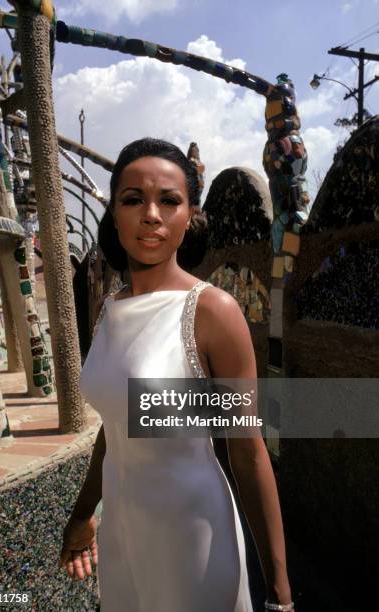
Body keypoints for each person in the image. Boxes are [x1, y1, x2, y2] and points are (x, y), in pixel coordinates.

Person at [60, 138, 294, 612]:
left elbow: (247, 453)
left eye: (169, 200)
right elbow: (117, 426)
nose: (151, 214)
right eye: (132, 200)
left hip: (192, 537)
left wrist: (281, 596)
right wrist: (83, 516)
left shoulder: (211, 311)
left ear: (189, 217)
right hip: (123, 534)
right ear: (116, 216)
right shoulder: (111, 308)